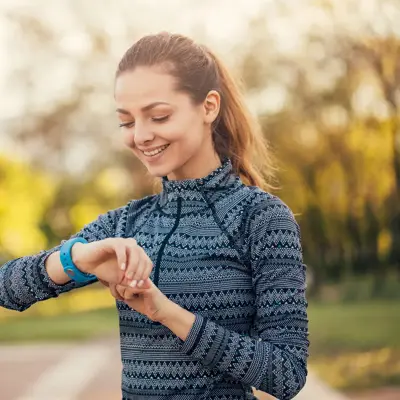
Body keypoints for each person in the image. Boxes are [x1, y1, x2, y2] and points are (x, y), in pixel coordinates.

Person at [0, 32, 309, 400]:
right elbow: (7, 288)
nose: (141, 136)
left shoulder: (261, 219)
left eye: (158, 116)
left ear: (209, 107)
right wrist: (76, 257)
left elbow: (287, 373)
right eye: (126, 122)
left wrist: (167, 313)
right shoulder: (126, 225)